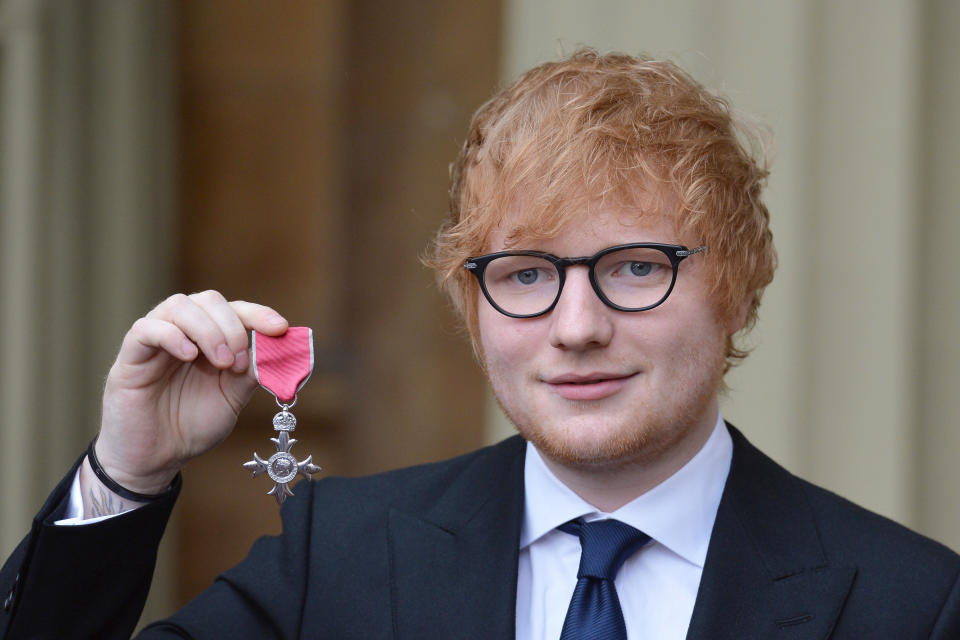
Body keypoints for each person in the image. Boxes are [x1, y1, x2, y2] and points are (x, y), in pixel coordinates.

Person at [1, 49, 958, 640]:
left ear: (738, 289)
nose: (577, 328)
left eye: (634, 268)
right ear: (474, 310)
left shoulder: (909, 604)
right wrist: (127, 474)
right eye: (527, 274)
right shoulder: (343, 556)